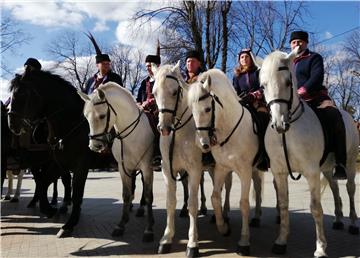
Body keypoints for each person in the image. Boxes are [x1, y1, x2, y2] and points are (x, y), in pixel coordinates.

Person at [290, 30, 347, 180]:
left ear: (306, 43)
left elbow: (317, 77)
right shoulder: (287, 62)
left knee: (334, 115)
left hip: (315, 97)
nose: (297, 44)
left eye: (300, 41)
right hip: (293, 100)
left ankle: (340, 162)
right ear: (290, 45)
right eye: (294, 42)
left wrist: (302, 91)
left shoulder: (314, 57)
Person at [232, 48, 269, 171]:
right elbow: (235, 91)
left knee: (263, 119)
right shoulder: (237, 76)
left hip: (258, 103)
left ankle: (264, 155)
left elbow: (264, 87)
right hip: (243, 105)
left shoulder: (258, 72)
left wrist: (254, 95)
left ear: (251, 58)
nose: (244, 59)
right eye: (242, 57)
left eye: (246, 57)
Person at [183, 49, 215, 167]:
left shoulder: (204, 78)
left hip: (202, 112)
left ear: (199, 64)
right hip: (187, 113)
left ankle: (208, 155)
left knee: (206, 125)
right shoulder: (184, 81)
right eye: (187, 62)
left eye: (192, 61)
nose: (189, 64)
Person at [136, 49, 162, 170]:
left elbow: (162, 95)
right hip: (144, 110)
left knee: (156, 124)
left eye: (150, 66)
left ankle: (157, 153)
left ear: (157, 66)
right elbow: (138, 98)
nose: (148, 68)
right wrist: (138, 105)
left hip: (159, 110)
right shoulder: (144, 82)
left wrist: (149, 102)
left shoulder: (162, 79)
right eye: (146, 66)